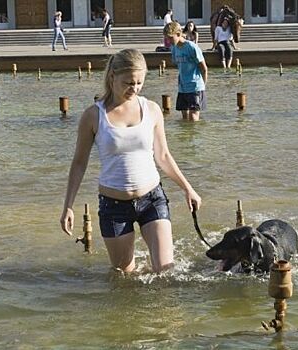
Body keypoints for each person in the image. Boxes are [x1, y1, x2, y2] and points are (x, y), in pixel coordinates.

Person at [60, 49, 202, 274]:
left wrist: (188, 189)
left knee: (166, 271)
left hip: (152, 199)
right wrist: (68, 206)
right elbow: (79, 163)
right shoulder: (93, 116)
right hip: (113, 206)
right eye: (128, 83)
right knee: (125, 278)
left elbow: (163, 156)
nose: (134, 89)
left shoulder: (152, 110)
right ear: (112, 76)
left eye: (139, 83)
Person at [164, 21, 208, 122]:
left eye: (170, 38)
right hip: (182, 88)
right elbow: (179, 66)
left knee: (193, 119)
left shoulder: (192, 47)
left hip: (195, 87)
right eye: (167, 38)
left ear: (179, 34)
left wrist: (202, 87)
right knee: (184, 120)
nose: (168, 41)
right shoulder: (174, 48)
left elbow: (204, 68)